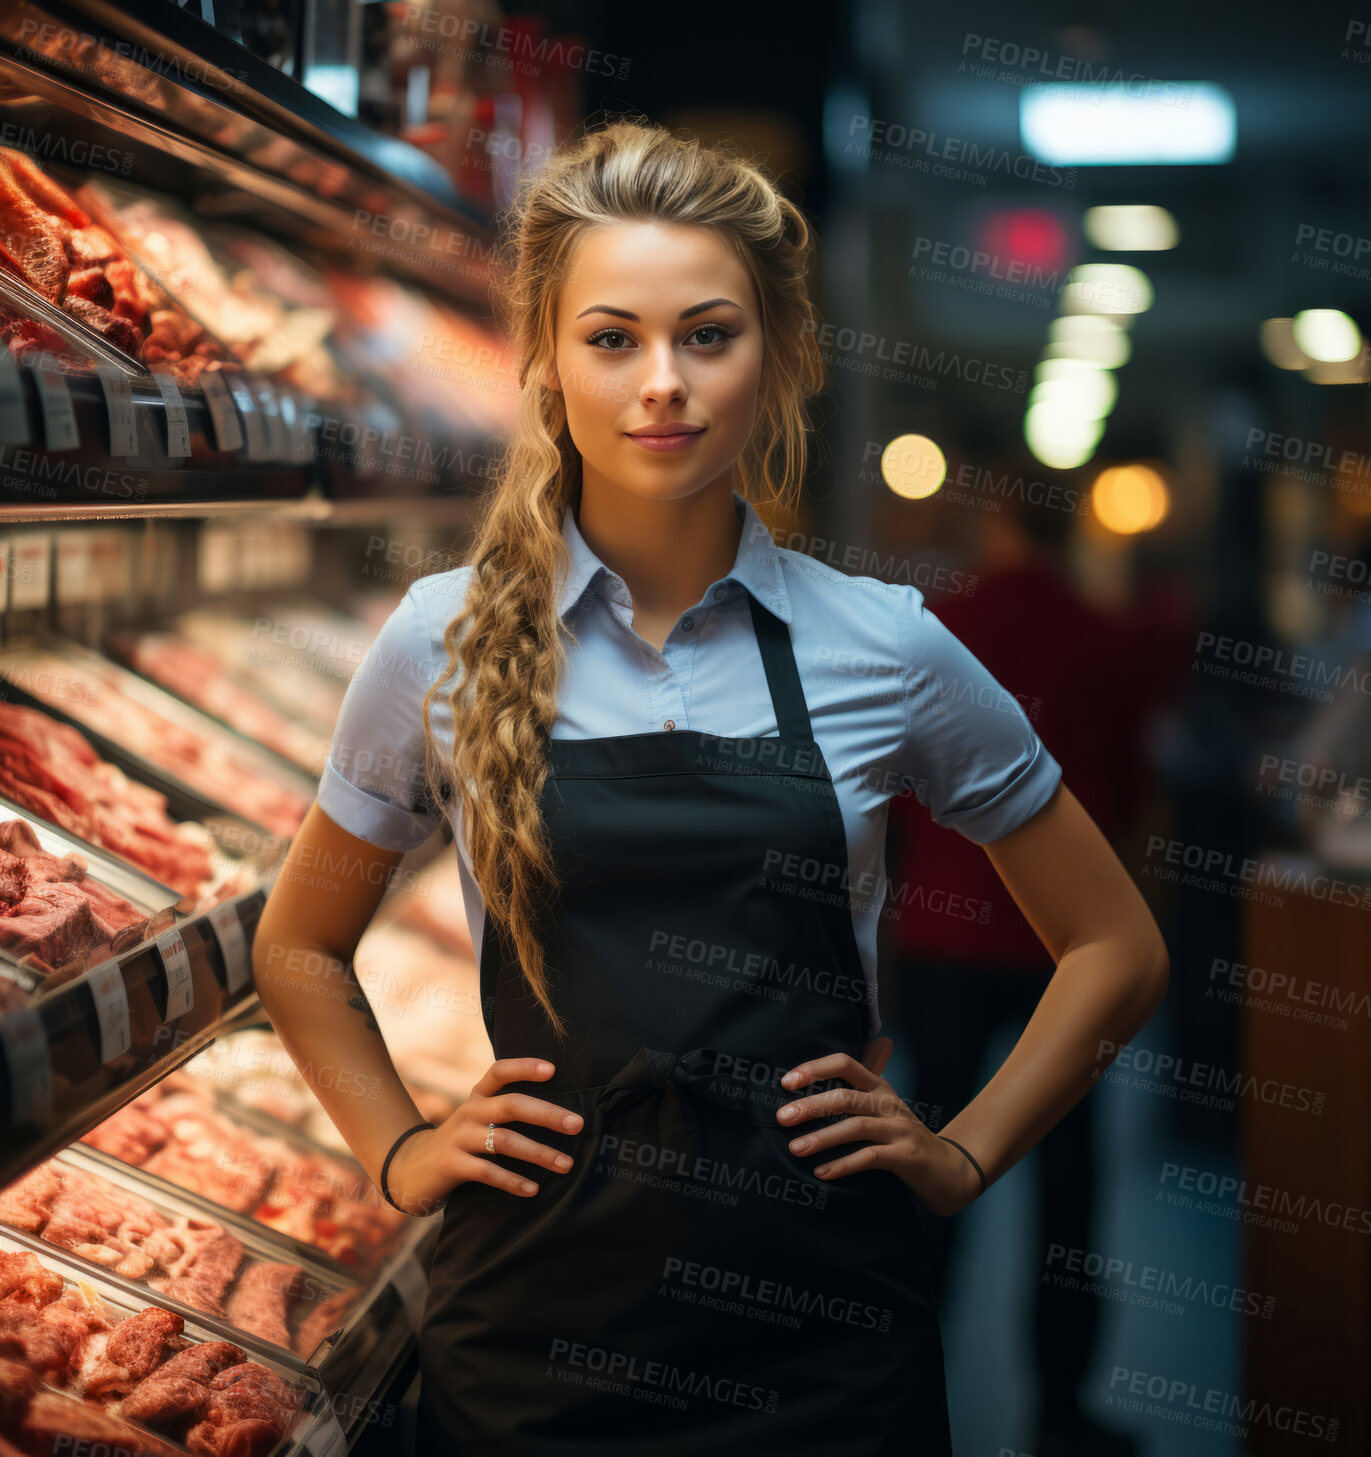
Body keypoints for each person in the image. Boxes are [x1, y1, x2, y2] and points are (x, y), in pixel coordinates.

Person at [251, 117, 1170, 1456]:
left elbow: (1114, 946)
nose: (660, 382)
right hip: (529, 1346)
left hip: (823, 1353)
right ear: (547, 361)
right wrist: (397, 1149)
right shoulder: (438, 638)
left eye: (708, 334)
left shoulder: (884, 643)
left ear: (779, 359)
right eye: (611, 337)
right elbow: (297, 943)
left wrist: (961, 1155)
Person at [884, 489, 1154, 1457]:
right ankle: (1059, 1409)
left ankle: (906, 1390)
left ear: (998, 523)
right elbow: (1122, 792)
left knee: (929, 1157)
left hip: (942, 940)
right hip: (1062, 950)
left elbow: (900, 794)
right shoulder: (1099, 632)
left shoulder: (944, 625)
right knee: (1071, 1189)